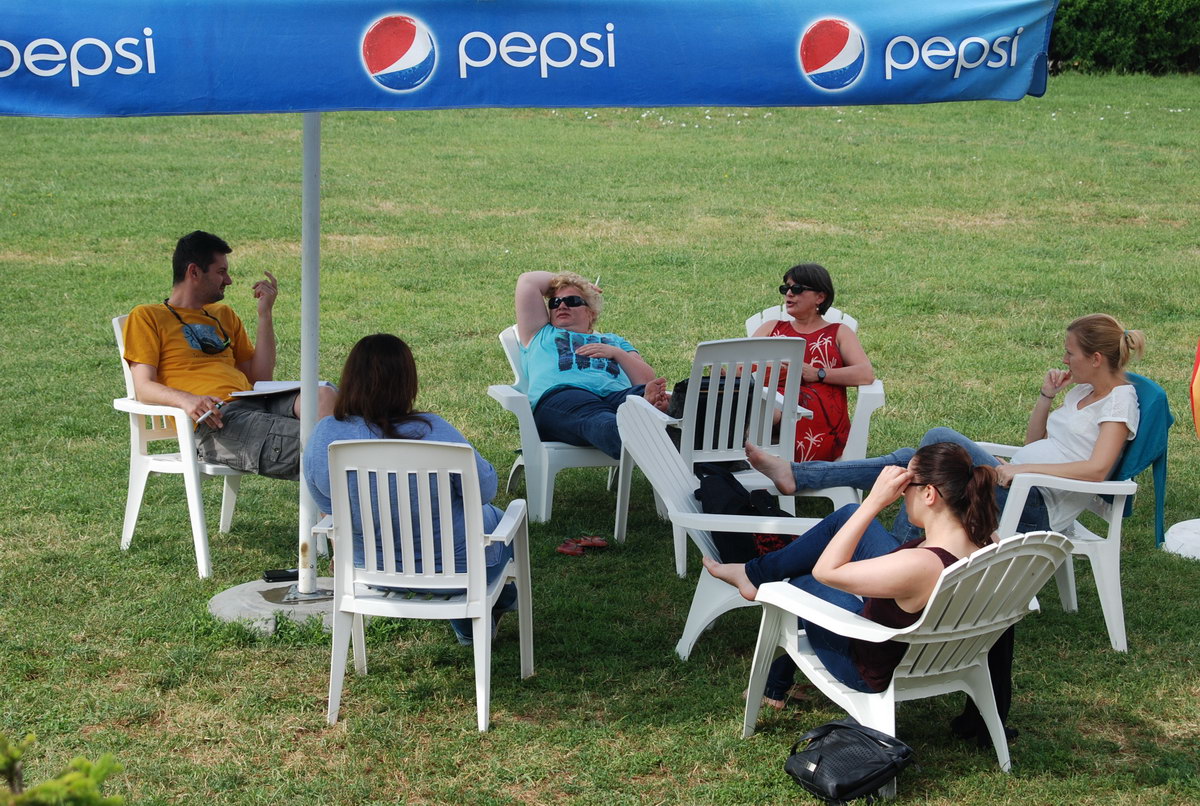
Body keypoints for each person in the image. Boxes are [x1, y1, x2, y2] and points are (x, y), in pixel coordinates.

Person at [705, 442, 999, 704]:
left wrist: (873, 502)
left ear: (929, 494)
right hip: (931, 646)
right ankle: (753, 576)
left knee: (801, 582)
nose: (900, 493)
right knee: (846, 515)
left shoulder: (920, 564)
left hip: (869, 665)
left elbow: (825, 572)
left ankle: (773, 683)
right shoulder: (987, 542)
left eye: (906, 484)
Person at [304, 334, 516, 646]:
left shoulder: (325, 434)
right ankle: (492, 607)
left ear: (349, 379)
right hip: (457, 573)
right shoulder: (434, 430)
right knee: (500, 520)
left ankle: (487, 612)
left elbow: (324, 500)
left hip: (368, 571)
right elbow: (485, 489)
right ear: (407, 382)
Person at [122, 230, 334, 480]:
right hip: (217, 420)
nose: (229, 280)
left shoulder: (223, 315)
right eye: (221, 272)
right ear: (194, 272)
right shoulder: (147, 317)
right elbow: (143, 387)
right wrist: (187, 400)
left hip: (255, 400)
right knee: (325, 444)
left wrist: (265, 314)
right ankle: (338, 497)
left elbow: (260, 378)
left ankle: (338, 492)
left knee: (324, 396)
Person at [515, 270, 669, 460]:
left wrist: (617, 353)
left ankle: (662, 414)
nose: (562, 305)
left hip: (617, 395)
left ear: (591, 313)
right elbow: (528, 281)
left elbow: (646, 380)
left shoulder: (614, 340)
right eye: (555, 302)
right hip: (565, 396)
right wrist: (578, 282)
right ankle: (649, 426)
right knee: (601, 422)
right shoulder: (539, 332)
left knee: (666, 398)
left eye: (572, 301)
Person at [751, 263, 875, 461]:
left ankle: (741, 450)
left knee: (767, 406)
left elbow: (865, 373)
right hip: (772, 398)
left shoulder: (838, 332)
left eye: (797, 289)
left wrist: (819, 373)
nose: (789, 294)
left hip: (818, 410)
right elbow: (740, 367)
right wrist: (776, 371)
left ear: (820, 297)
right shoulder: (771, 327)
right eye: (786, 288)